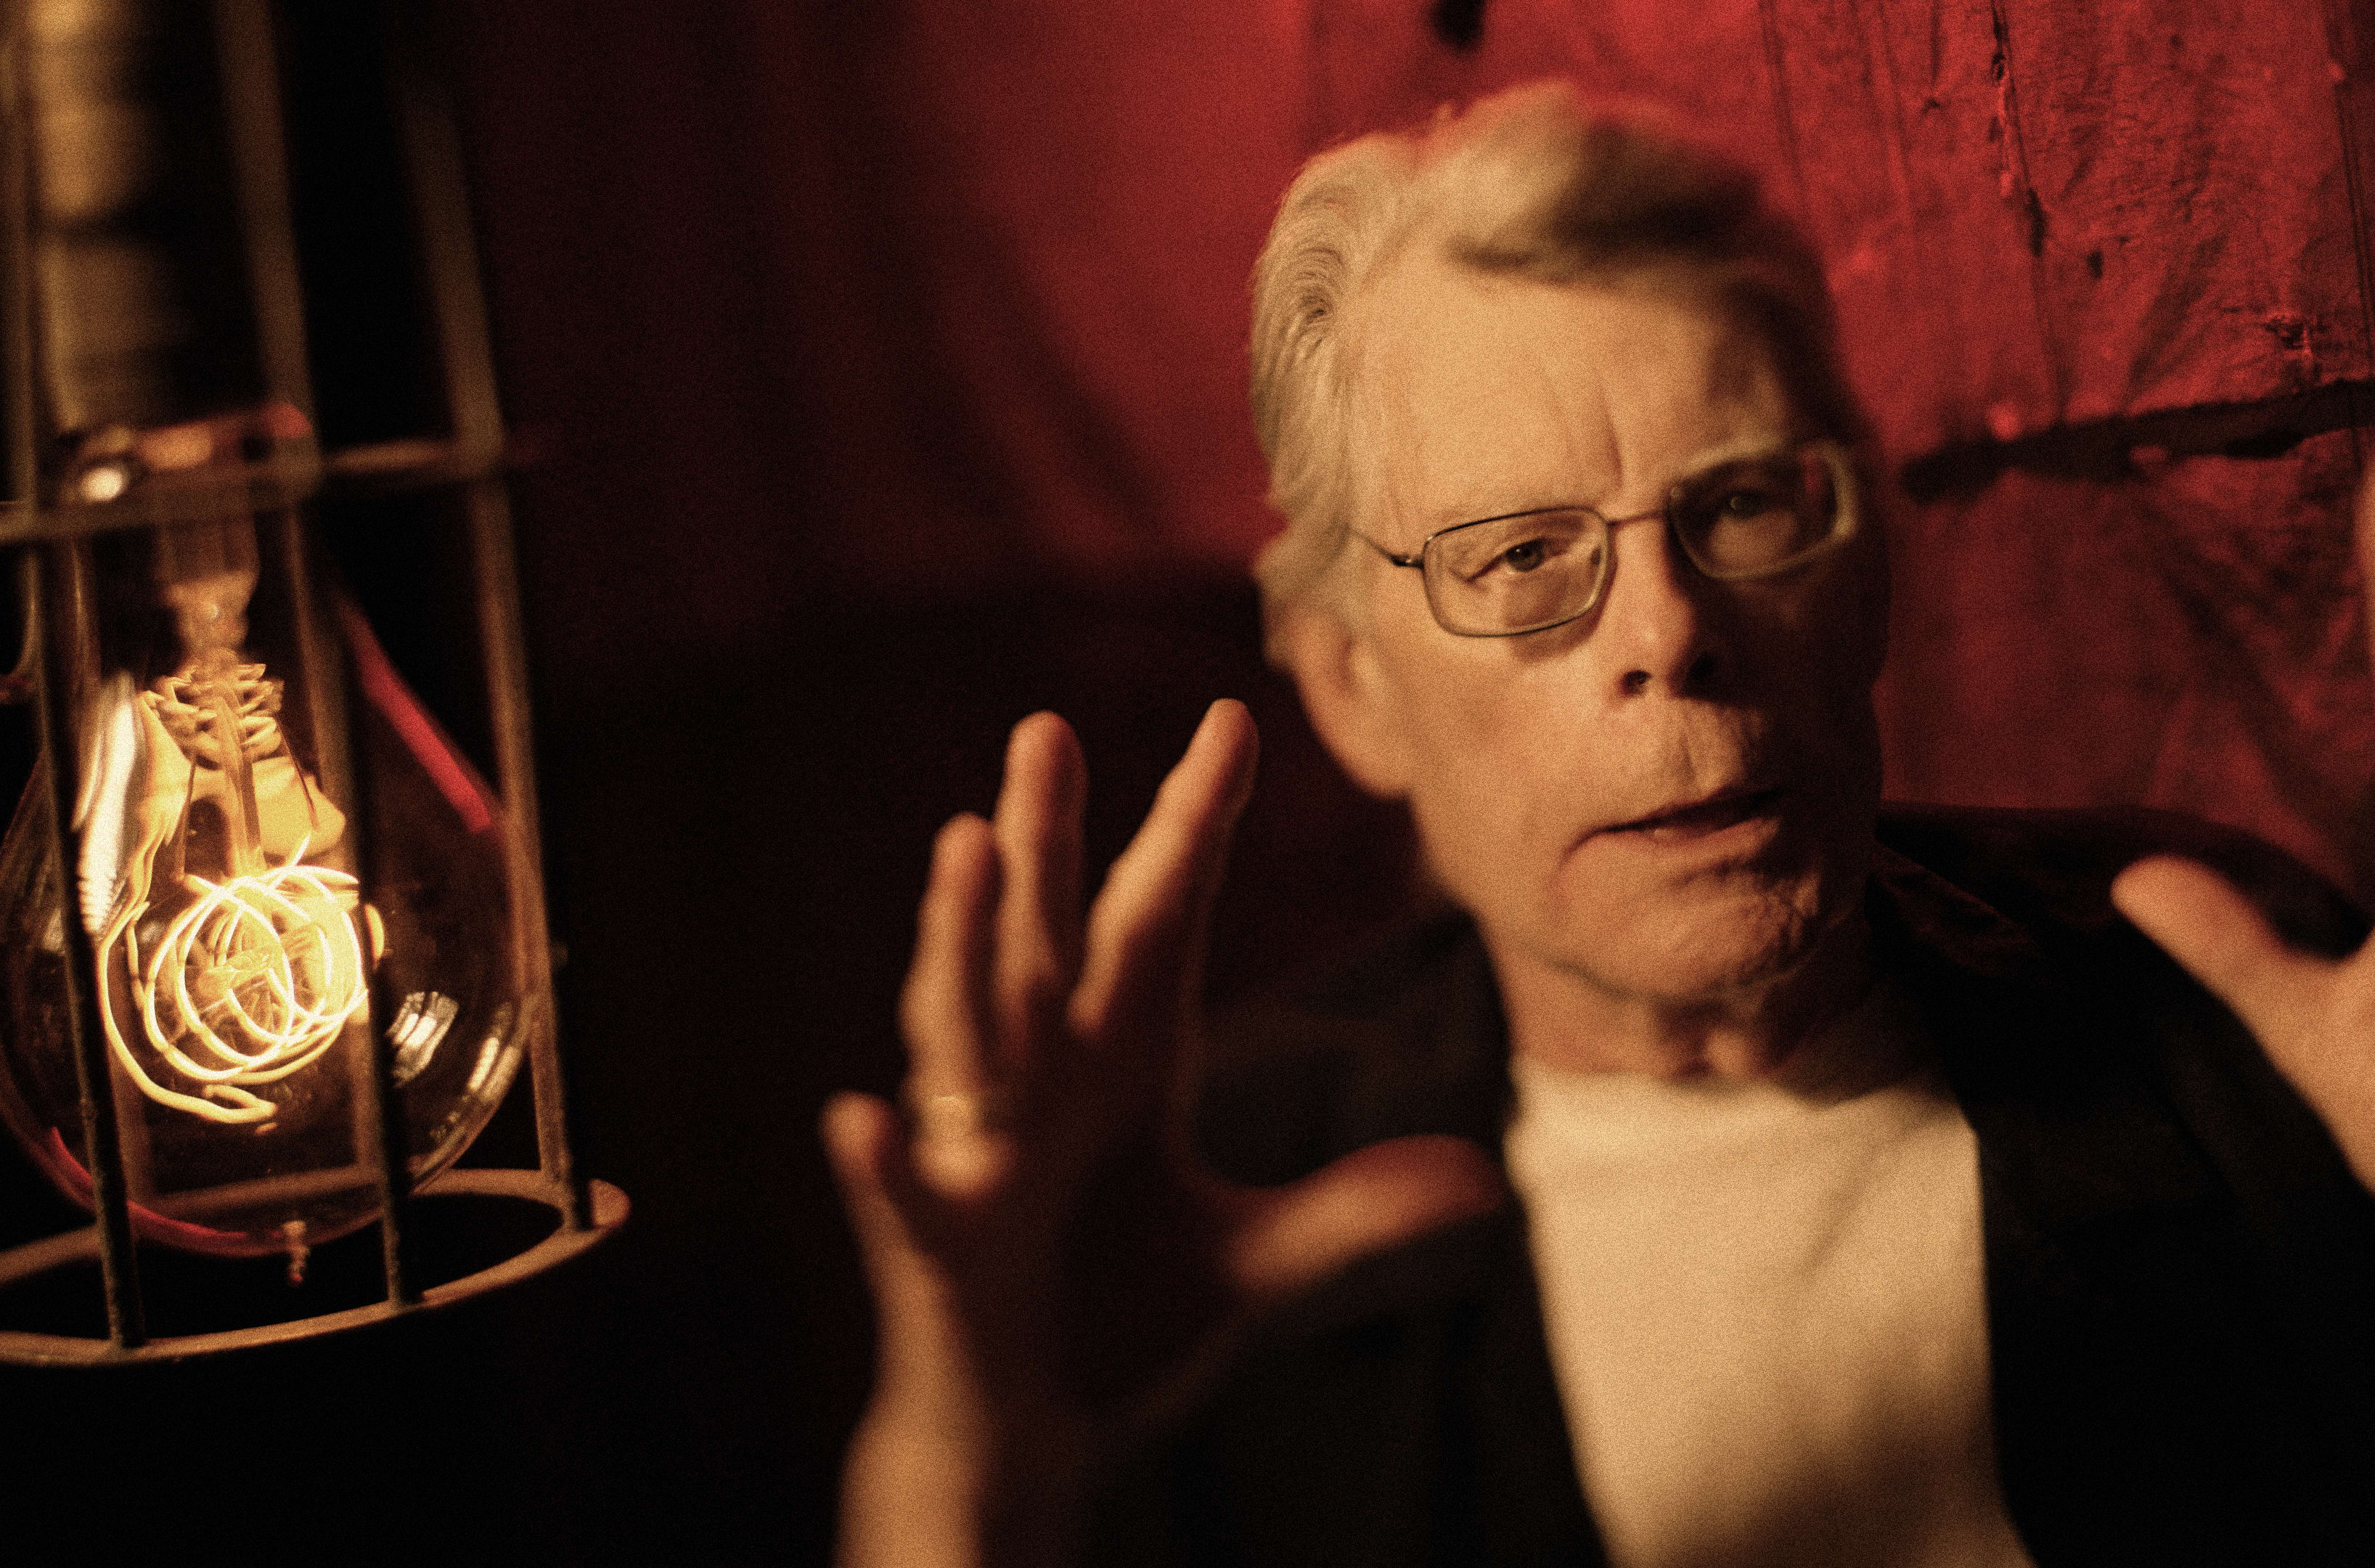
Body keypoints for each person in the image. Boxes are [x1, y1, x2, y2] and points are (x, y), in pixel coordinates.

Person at [822, 83, 2374, 1567]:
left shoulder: (2239, 1021)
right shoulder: (1222, 1212)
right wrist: (976, 1457)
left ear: (1870, 577)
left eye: (1746, 505)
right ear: (1355, 688)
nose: (1671, 631)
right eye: (1520, 557)